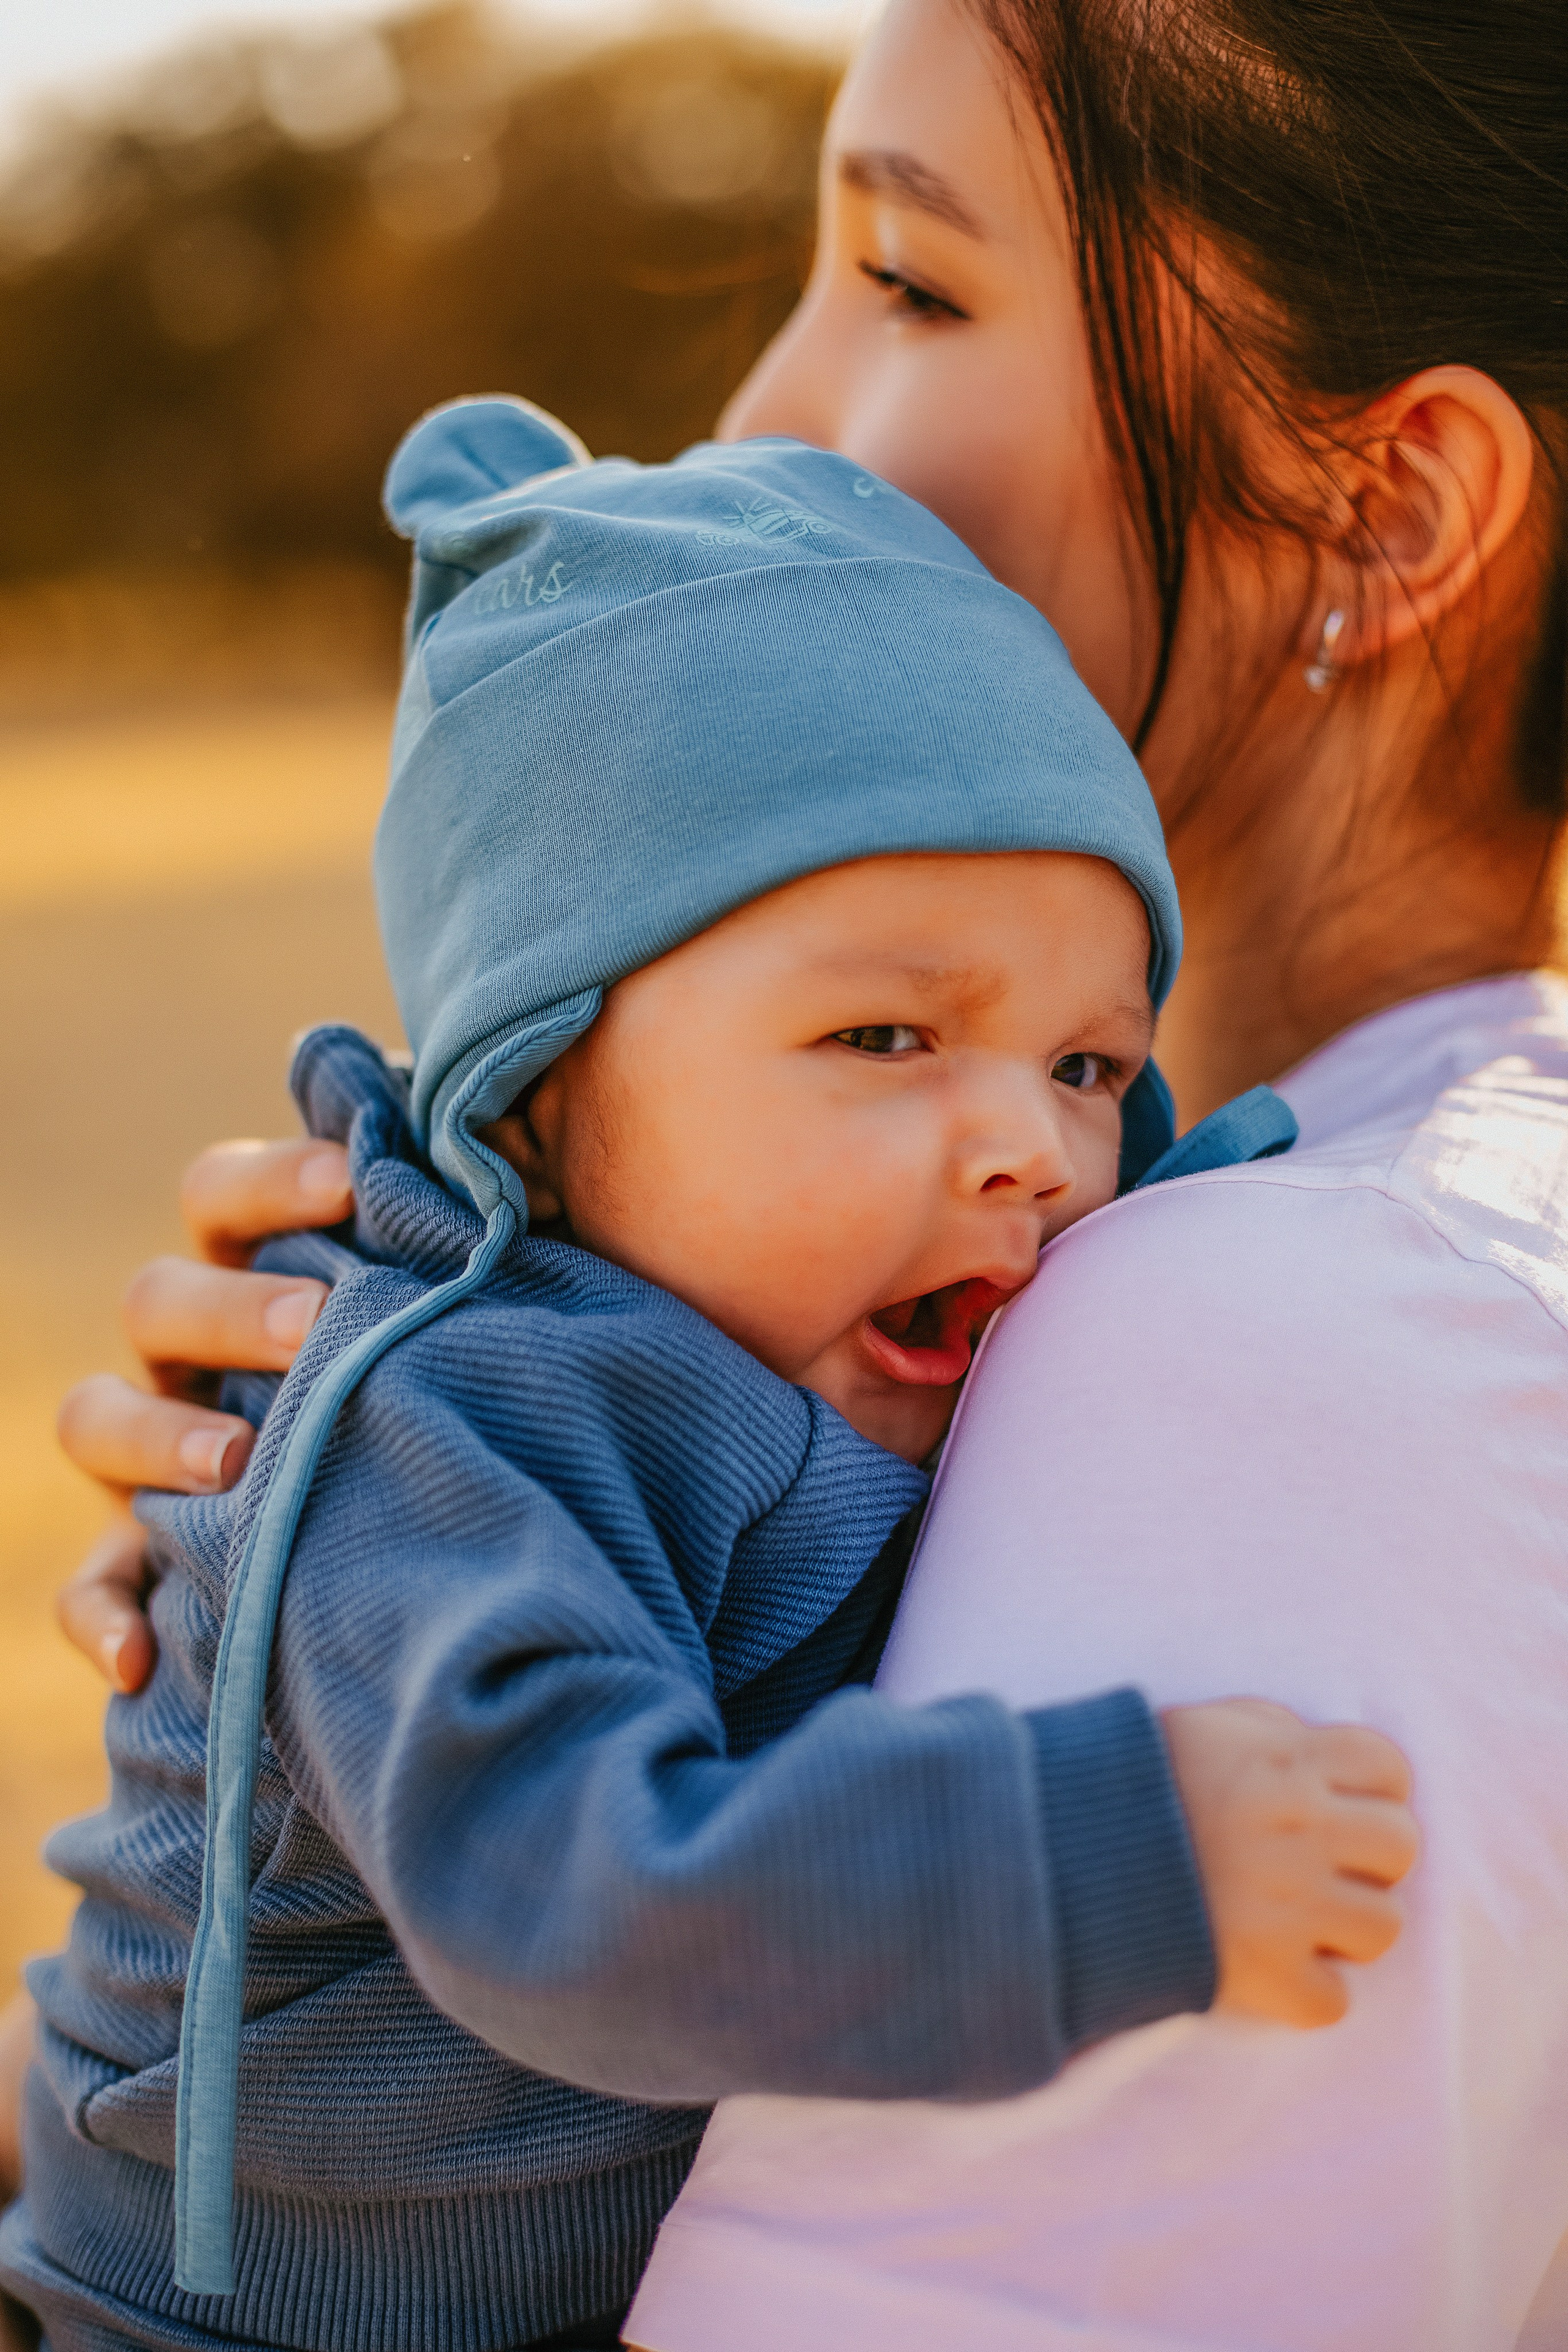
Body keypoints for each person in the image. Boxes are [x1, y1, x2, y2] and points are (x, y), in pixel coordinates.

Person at [26, 0, 1568, 2333]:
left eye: (915, 282)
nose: (755, 412)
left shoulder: (1289, 1314)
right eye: (883, 1036)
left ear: (1390, 502)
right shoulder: (1322, 1234)